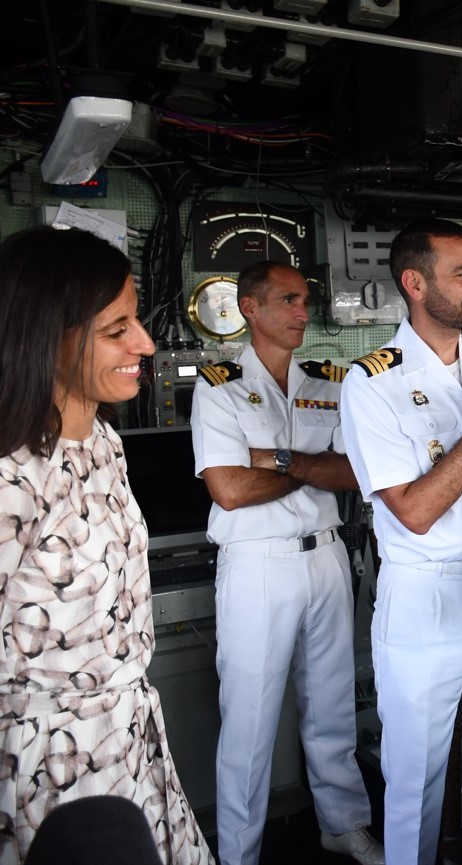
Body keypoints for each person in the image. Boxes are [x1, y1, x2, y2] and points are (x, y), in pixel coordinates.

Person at [0, 225, 213, 865]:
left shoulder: (102, 443)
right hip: (49, 766)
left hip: (129, 740)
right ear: (46, 336)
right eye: (116, 329)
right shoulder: (11, 475)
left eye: (137, 323)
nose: (145, 344)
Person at [339, 219, 462, 865]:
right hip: (426, 597)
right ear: (415, 283)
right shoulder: (372, 382)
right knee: (414, 784)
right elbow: (415, 511)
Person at [189, 261, 382, 865]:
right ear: (249, 307)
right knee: (248, 720)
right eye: (289, 300)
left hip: (326, 558)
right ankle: (239, 854)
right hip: (257, 565)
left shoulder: (329, 379)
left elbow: (355, 474)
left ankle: (342, 823)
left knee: (331, 706)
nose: (304, 312)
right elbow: (229, 490)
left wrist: (274, 460)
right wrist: (308, 463)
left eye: (305, 300)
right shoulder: (217, 382)